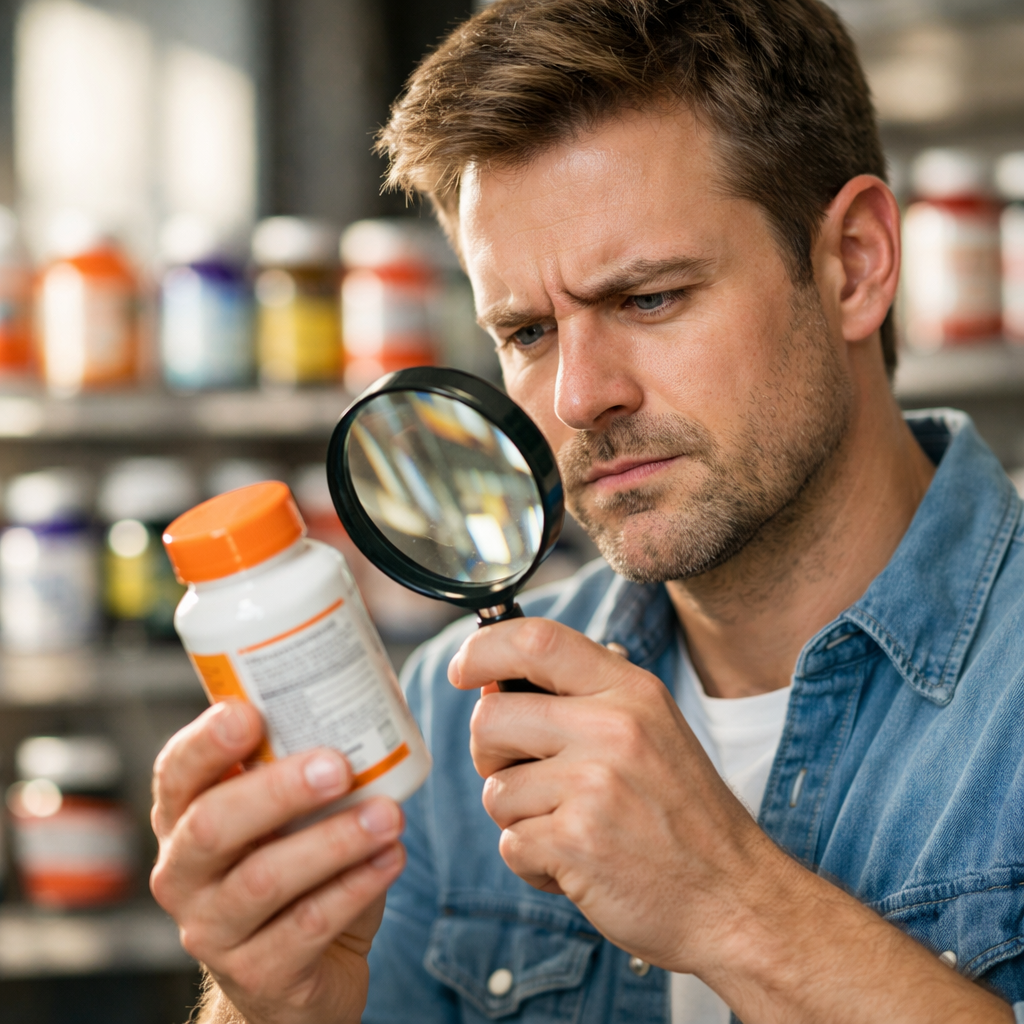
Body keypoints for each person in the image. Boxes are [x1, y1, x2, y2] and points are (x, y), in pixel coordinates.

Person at [150, 1, 1024, 1021]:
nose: (577, 397)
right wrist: (270, 1005)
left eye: (648, 298)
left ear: (855, 263)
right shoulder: (445, 719)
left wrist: (734, 906)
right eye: (524, 330)